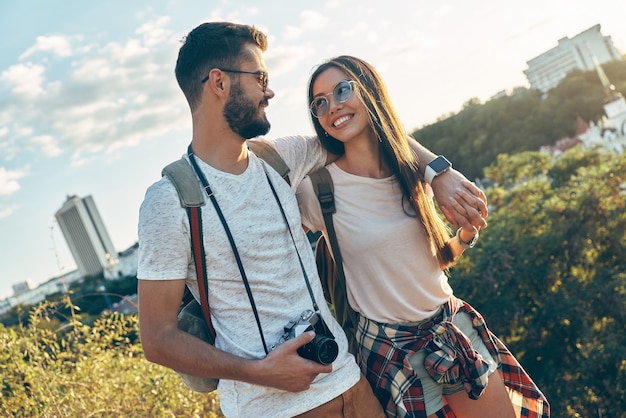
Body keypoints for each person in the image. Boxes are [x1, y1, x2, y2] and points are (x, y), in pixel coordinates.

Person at [137, 22, 488, 417]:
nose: (269, 91)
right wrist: (260, 372)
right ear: (219, 83)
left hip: (351, 385)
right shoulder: (169, 201)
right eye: (260, 78)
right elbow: (157, 338)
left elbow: (369, 127)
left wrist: (438, 173)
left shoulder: (279, 158)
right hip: (272, 409)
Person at [296, 56, 550, 418]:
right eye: (319, 102)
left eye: (342, 90)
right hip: (392, 350)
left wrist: (464, 235)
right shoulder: (317, 190)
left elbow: (429, 262)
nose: (332, 105)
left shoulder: (412, 172)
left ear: (368, 90)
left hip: (452, 329)